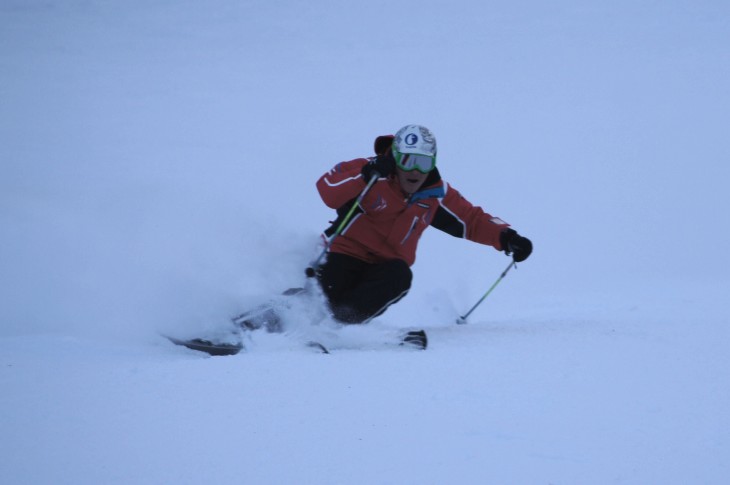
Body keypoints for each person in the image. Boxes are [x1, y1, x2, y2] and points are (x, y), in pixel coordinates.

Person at [314, 124, 532, 324]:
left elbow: (471, 219)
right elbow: (327, 188)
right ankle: (292, 315)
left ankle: (342, 328)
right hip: (341, 253)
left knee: (399, 276)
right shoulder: (371, 173)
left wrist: (507, 237)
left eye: (424, 162)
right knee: (325, 295)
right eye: (408, 161)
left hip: (383, 268)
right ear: (395, 160)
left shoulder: (435, 195)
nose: (415, 171)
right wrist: (364, 176)